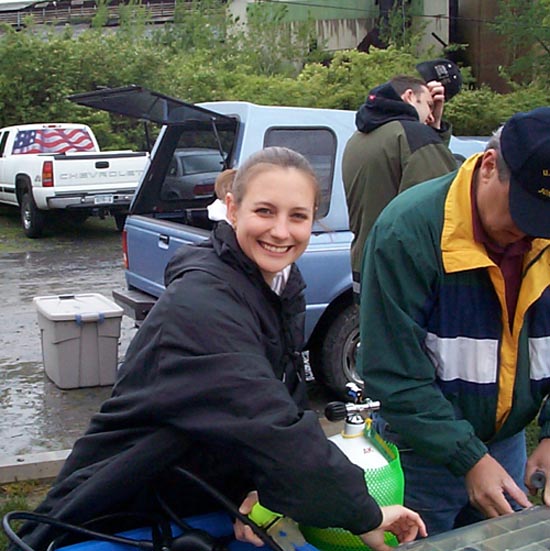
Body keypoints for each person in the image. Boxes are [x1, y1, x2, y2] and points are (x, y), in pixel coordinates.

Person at [16, 147, 426, 551]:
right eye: (264, 212)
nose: (281, 232)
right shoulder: (200, 304)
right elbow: (268, 423)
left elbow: (284, 395)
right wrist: (364, 513)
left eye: (297, 216)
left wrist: (262, 488)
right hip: (120, 509)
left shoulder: (280, 283)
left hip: (203, 498)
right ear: (232, 209)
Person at [358, 107, 550, 536]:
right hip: (420, 455)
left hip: (506, 445)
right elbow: (392, 374)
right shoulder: (406, 233)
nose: (527, 230)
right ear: (487, 167)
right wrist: (469, 459)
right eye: (521, 208)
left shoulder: (544, 237)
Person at [342, 74, 458, 299]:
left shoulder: (358, 138)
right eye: (429, 105)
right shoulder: (414, 137)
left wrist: (434, 129)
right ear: (409, 97)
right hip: (405, 273)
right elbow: (441, 205)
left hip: (365, 265)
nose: (431, 114)